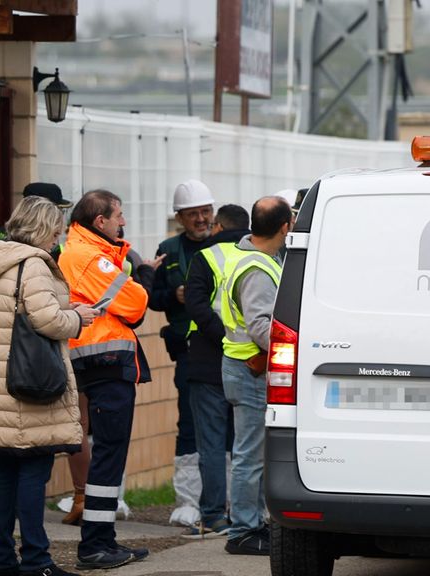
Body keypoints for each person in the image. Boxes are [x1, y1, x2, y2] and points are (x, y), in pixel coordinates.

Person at [0, 196, 100, 576]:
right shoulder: (32, 264)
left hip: (4, 383)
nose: (57, 238)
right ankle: (36, 561)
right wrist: (78, 317)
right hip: (32, 387)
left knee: (3, 476)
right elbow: (47, 320)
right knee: (33, 473)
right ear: (39, 229)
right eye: (54, 231)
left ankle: (0, 561)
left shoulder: (0, 261)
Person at [59, 190, 160, 569]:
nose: (124, 222)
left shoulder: (89, 252)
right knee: (108, 454)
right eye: (119, 215)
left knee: (109, 454)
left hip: (104, 362)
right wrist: (142, 277)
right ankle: (96, 545)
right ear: (100, 221)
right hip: (103, 363)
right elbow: (135, 304)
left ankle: (102, 541)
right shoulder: (87, 256)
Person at [220, 196, 292, 555]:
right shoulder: (258, 270)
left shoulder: (257, 259)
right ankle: (242, 532)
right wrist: (299, 341)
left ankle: (252, 522)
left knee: (253, 452)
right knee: (249, 454)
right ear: (285, 227)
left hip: (245, 368)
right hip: (248, 369)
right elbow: (261, 327)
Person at [181, 204, 251, 539]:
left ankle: (213, 515)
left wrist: (222, 335)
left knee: (210, 443)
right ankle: (247, 514)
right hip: (251, 360)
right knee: (246, 443)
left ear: (219, 225)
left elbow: (194, 304)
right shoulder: (265, 258)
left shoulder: (205, 257)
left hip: (209, 360)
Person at [150, 179, 216, 526]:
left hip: (224, 348)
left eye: (206, 211)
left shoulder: (225, 245)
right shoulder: (169, 249)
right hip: (187, 351)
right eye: (193, 214)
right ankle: (188, 500)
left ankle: (224, 499)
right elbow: (150, 297)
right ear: (180, 218)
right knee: (188, 421)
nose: (201, 219)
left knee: (229, 423)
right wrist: (172, 296)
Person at [0, 183, 74, 260]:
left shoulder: (7, 230)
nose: (59, 216)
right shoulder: (36, 239)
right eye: (58, 210)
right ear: (41, 210)